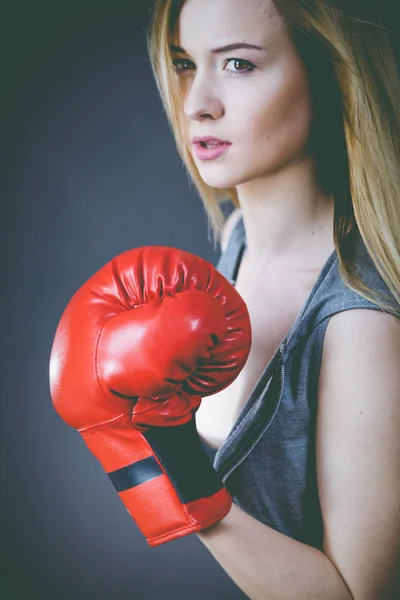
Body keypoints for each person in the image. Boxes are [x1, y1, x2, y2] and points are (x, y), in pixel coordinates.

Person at [146, 0, 400, 598]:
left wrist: (174, 466)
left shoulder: (359, 324)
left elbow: (355, 595)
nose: (197, 102)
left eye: (237, 64)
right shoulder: (235, 242)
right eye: (185, 63)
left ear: (328, 74)